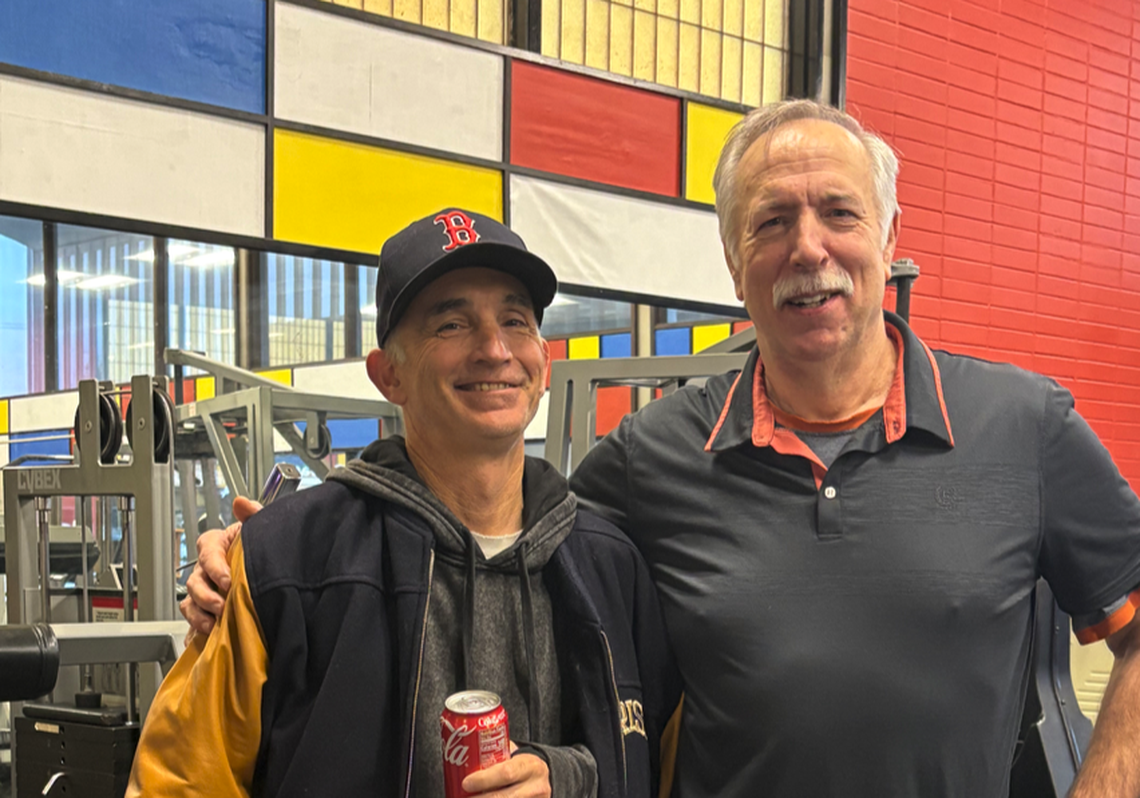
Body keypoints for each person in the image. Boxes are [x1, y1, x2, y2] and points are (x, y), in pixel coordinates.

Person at [184, 101, 1140, 798]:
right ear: (732, 259)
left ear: (889, 235)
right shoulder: (652, 457)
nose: (808, 248)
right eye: (771, 222)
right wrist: (260, 563)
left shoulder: (1024, 425)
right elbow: (504, 533)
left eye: (840, 212)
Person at [130, 208, 680, 798]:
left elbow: (666, 770)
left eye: (515, 320)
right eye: (452, 324)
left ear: (543, 364)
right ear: (388, 374)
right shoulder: (284, 562)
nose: (494, 348)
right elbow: (178, 786)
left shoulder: (612, 571)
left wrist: (572, 777)